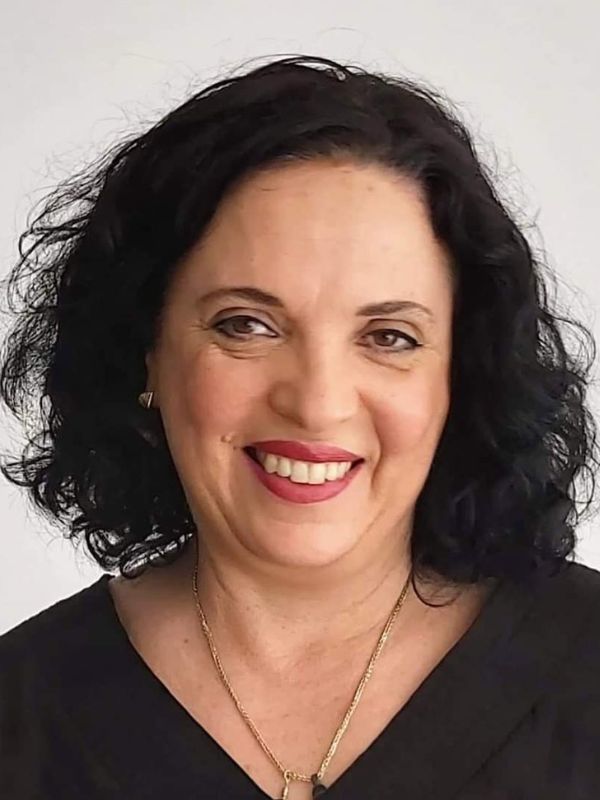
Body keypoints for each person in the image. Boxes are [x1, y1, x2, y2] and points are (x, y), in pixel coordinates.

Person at [0, 54, 599, 800]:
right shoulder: (19, 718)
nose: (318, 404)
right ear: (144, 352)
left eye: (389, 337)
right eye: (246, 324)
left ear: (463, 374)